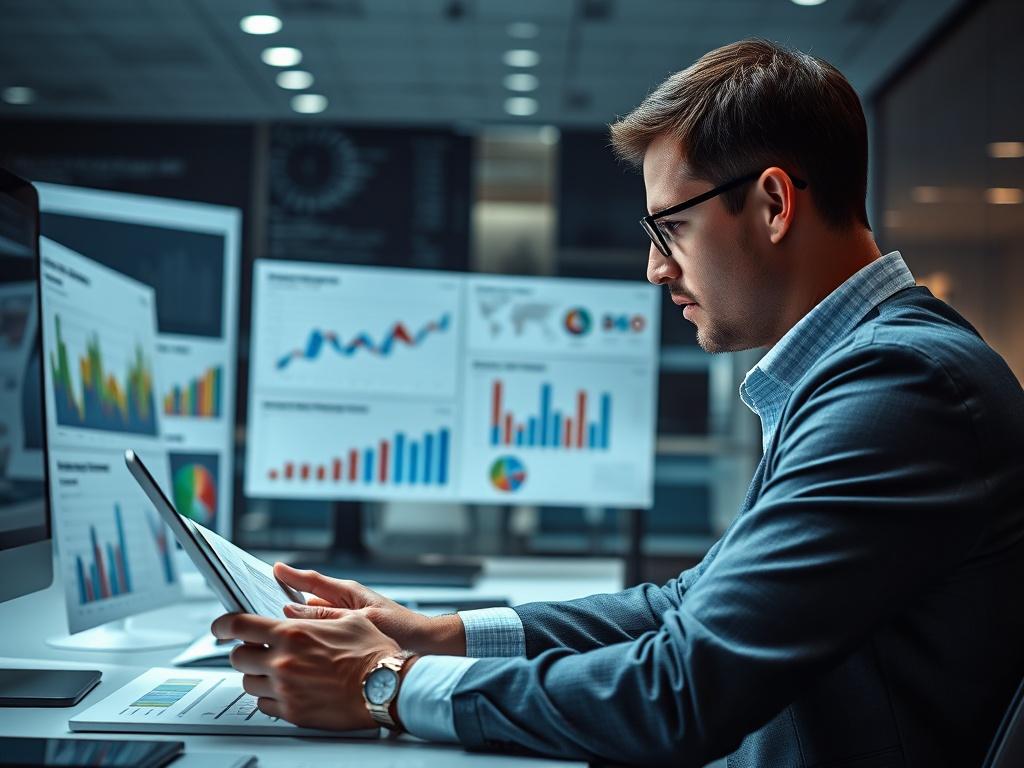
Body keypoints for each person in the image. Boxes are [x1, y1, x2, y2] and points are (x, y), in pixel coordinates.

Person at [213, 38, 1024, 766]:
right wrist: (438, 635)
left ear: (774, 204)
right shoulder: (864, 369)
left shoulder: (901, 388)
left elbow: (682, 691)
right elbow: (687, 604)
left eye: (670, 228)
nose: (655, 268)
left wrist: (386, 684)